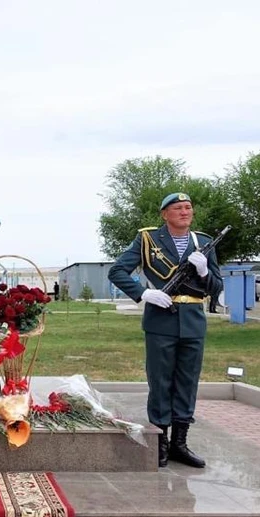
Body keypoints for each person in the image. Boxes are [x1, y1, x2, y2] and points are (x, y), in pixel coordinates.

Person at [107, 192, 222, 469]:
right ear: (165, 214)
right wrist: (145, 294)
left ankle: (180, 444)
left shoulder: (203, 242)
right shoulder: (147, 239)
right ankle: (160, 442)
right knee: (160, 382)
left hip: (193, 320)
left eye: (188, 207)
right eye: (178, 208)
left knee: (187, 381)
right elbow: (118, 271)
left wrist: (205, 273)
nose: (185, 212)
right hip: (161, 319)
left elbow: (216, 288)